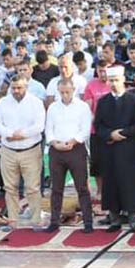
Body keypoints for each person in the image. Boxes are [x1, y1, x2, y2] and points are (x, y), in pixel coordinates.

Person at [94, 65, 135, 232]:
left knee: (130, 182)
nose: (114, 83)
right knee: (111, 183)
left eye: (116, 80)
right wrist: (110, 135)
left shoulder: (134, 100)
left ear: (123, 80)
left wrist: (121, 133)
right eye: (111, 80)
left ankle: (133, 216)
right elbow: (98, 126)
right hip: (110, 149)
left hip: (129, 149)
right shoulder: (103, 102)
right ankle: (114, 217)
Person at [0, 76, 46, 230]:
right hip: (8, 150)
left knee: (33, 187)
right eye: (13, 88)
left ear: (26, 87)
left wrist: (22, 134)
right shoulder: (3, 102)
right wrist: (10, 133)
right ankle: (13, 220)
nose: (16, 91)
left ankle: (36, 220)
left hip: (30, 149)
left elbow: (39, 126)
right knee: (10, 187)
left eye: (19, 88)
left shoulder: (35, 102)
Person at [43, 78, 93, 233]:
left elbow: (85, 129)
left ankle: (88, 222)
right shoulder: (53, 107)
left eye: (67, 92)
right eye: (62, 92)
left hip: (76, 149)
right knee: (56, 188)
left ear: (74, 90)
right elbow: (48, 129)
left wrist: (73, 141)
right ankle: (54, 221)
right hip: (57, 150)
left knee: (82, 187)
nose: (64, 95)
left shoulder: (83, 107)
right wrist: (54, 142)